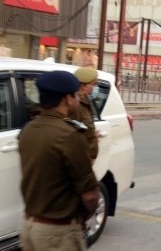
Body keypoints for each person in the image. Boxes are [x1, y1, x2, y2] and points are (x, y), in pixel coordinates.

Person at [18, 71, 99, 251]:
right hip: (57, 233)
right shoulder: (69, 134)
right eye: (76, 95)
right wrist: (83, 217)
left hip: (29, 226)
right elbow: (91, 195)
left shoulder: (28, 130)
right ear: (68, 99)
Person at [74, 67, 99, 163]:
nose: (95, 88)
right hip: (80, 159)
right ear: (83, 86)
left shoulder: (86, 101)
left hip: (86, 158)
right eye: (93, 84)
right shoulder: (76, 104)